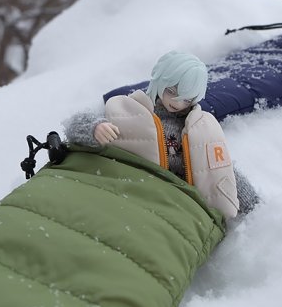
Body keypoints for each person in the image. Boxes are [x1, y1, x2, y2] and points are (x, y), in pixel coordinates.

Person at [63, 51, 258, 219]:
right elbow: (74, 127)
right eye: (171, 91)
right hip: (127, 190)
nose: (178, 102)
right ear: (158, 81)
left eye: (187, 98)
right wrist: (94, 127)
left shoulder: (197, 127)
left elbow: (218, 168)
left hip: (177, 203)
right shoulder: (130, 110)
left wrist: (250, 203)